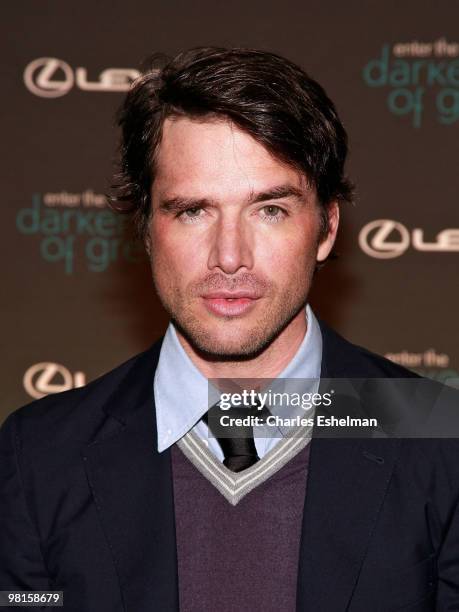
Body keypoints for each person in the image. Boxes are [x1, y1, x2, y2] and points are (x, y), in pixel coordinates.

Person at [1, 47, 458, 612]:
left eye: (269, 209)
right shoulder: (39, 455)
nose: (230, 256)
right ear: (145, 228)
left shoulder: (439, 439)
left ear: (327, 227)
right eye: (194, 210)